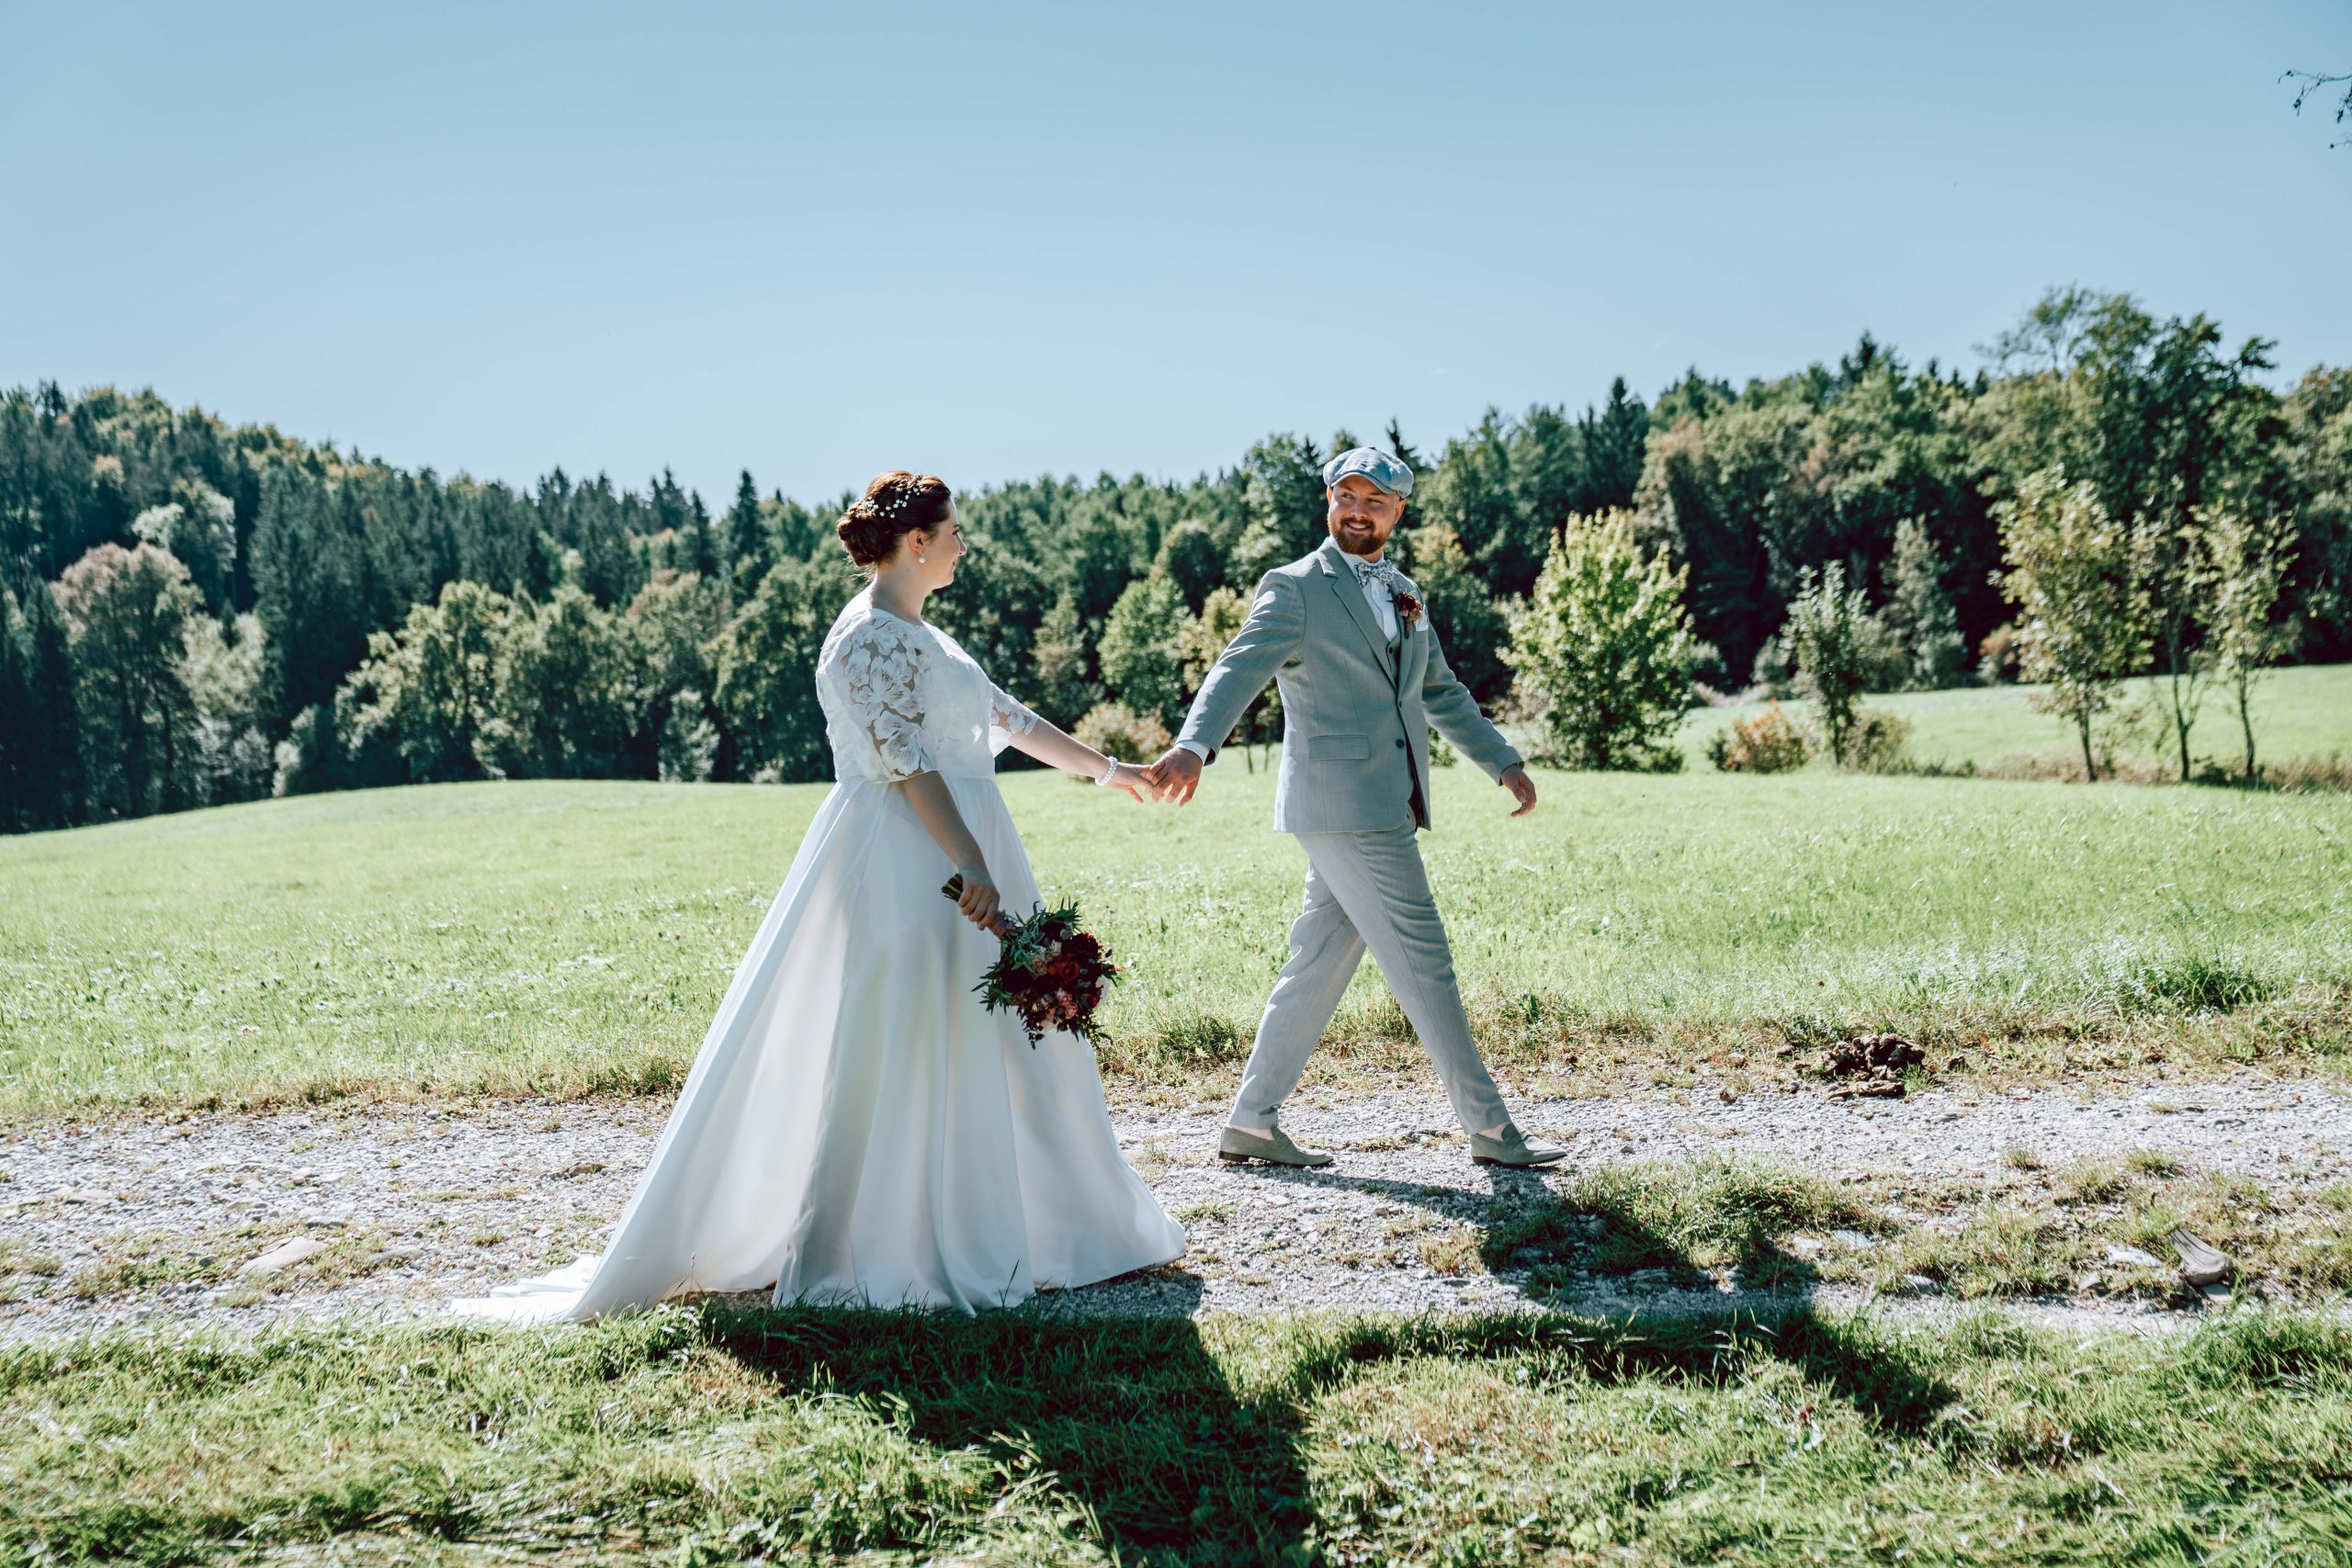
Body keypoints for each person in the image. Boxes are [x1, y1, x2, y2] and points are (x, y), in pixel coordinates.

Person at [452, 470, 1184, 1321]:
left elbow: (1009, 719)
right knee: (907, 1031)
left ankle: (1039, 1221)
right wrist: (971, 863)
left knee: (988, 1034)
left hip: (971, 849)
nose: (962, 544)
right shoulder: (864, 638)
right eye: (953, 531)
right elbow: (906, 764)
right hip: (913, 862)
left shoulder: (928, 636)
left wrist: (1111, 771)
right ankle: (889, 1238)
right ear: (917, 541)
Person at [1144, 446, 1566, 1171]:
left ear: (1399, 511)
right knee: (1425, 961)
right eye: (1347, 496)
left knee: (1315, 965)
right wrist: (1194, 746)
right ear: (1328, 502)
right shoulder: (1297, 587)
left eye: (1375, 501)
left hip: (1381, 802)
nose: (1358, 511)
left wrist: (1503, 759)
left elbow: (1439, 690)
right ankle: (1493, 1130)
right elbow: (1237, 666)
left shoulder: (1404, 590)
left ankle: (1250, 1121)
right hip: (1345, 805)